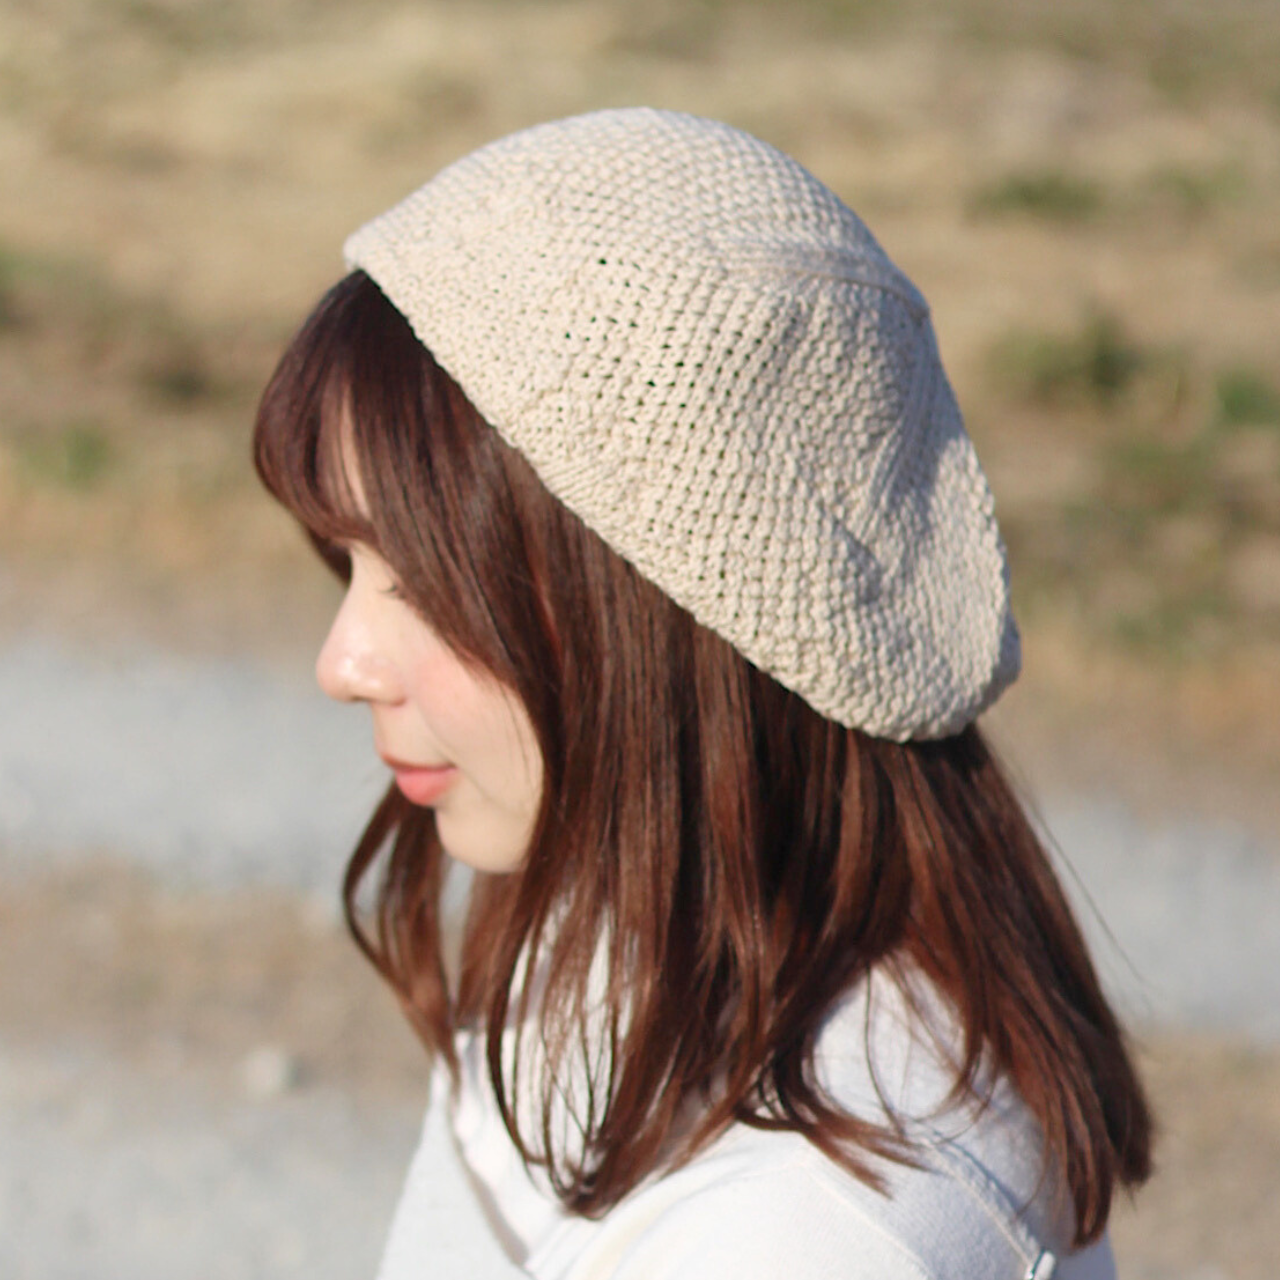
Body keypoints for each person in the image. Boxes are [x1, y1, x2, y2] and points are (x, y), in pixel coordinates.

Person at [253, 108, 1151, 1279]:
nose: (341, 663)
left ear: (662, 614)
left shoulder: (810, 1234)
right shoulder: (623, 913)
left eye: (422, 579)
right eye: (350, 563)